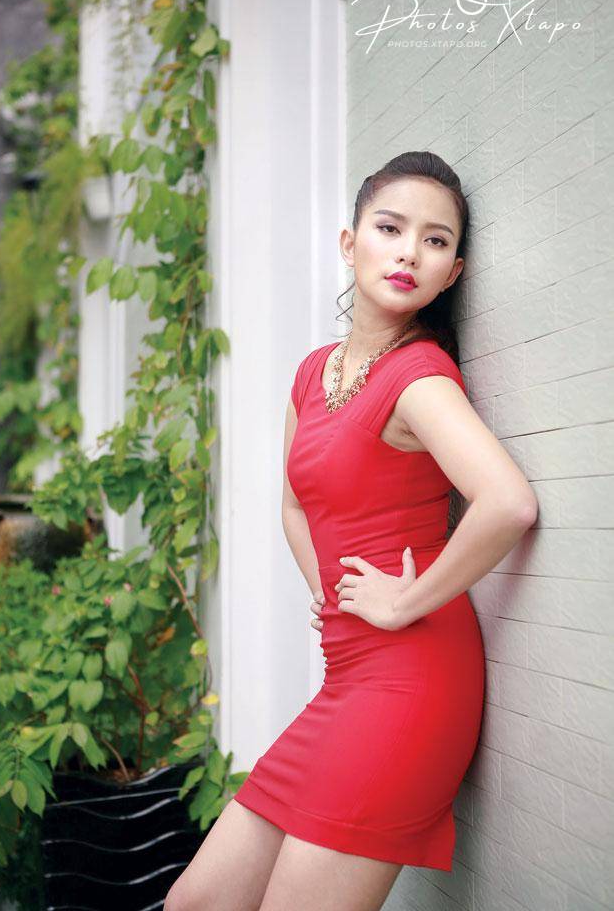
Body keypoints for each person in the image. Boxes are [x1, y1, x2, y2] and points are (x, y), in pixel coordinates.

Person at [164, 151, 538, 911]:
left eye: (435, 241)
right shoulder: (314, 373)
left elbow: (507, 503)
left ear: (453, 273)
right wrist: (326, 590)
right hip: (347, 677)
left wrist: (404, 602)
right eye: (390, 228)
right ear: (349, 242)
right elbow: (294, 505)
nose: (409, 252)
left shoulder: (418, 378)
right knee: (194, 902)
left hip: (412, 683)